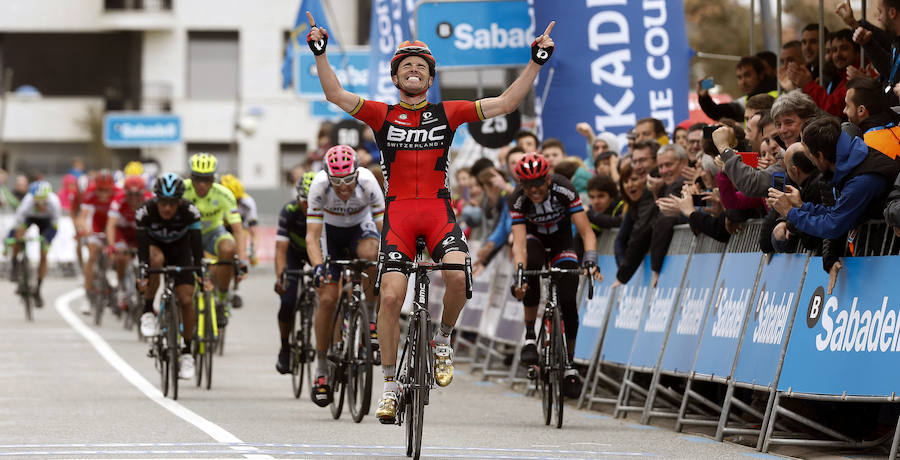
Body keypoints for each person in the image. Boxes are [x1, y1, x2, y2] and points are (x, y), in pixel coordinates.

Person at [307, 11, 557, 423]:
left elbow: (508, 102)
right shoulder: (381, 114)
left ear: (430, 77)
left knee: (458, 277)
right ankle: (390, 385)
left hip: (438, 211)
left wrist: (536, 61)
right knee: (388, 297)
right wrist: (320, 54)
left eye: (421, 67)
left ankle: (442, 339)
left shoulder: (449, 112)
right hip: (400, 215)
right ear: (395, 77)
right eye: (406, 66)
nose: (413, 71)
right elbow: (335, 93)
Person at [508, 153, 601, 398]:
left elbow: (587, 233)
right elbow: (519, 245)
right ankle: (530, 336)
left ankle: (570, 363)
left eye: (538, 182)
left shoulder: (565, 189)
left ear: (548, 178)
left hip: (561, 241)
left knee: (569, 300)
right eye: (528, 185)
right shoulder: (517, 200)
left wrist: (590, 258)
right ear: (521, 185)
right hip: (534, 240)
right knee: (531, 268)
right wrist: (520, 275)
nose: (534, 189)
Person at [305, 145, 385, 407]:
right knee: (328, 299)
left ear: (356, 173)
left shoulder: (368, 182)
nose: (343, 188)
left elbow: (385, 228)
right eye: (336, 182)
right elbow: (312, 238)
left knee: (373, 254)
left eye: (348, 180)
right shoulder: (318, 186)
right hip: (330, 233)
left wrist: (390, 257)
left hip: (361, 229)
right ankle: (320, 368)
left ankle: (370, 318)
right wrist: (318, 267)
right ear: (327, 176)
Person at [767, 116, 900, 245]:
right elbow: (835, 211)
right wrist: (801, 206)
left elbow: (832, 226)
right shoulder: (853, 159)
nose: (810, 162)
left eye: (808, 154)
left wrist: (789, 211)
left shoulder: (862, 180)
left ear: (820, 156)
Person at [136, 173, 205, 380]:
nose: (167, 208)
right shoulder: (145, 212)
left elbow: (196, 248)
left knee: (186, 299)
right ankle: (148, 310)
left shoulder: (190, 212)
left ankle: (187, 352)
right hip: (155, 248)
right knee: (155, 262)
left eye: (172, 204)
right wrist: (144, 272)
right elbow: (142, 250)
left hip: (181, 251)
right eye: (163, 203)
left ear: (180, 202)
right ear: (156, 199)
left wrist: (199, 272)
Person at [183, 153, 248, 326]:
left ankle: (221, 299)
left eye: (207, 179)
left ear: (214, 179)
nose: (202, 184)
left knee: (228, 248)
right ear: (191, 178)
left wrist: (242, 260)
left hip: (213, 234)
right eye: (197, 179)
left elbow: (238, 231)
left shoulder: (224, 194)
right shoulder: (182, 190)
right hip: (188, 236)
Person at [274, 171, 315, 375]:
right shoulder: (289, 211)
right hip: (293, 252)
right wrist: (281, 277)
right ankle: (285, 347)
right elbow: (280, 250)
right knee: (288, 301)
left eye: (312, 201)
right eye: (303, 201)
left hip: (317, 250)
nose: (307, 206)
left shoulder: (327, 209)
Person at [76, 170, 122, 314]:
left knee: (116, 251)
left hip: (113, 224)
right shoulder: (90, 192)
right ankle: (87, 296)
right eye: (99, 190)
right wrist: (85, 228)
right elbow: (82, 217)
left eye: (106, 190)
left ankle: (113, 274)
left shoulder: (118, 192)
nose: (102, 194)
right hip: (96, 224)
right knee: (91, 256)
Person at [9, 181, 60, 307]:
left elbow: (54, 227)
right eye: (38, 200)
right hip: (29, 218)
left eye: (44, 200)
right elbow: (17, 225)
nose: (41, 203)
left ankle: (38, 289)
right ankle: (15, 264)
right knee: (17, 238)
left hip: (47, 222)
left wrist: (47, 241)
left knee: (43, 253)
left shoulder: (54, 203)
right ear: (33, 198)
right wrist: (16, 239)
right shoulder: (27, 202)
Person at [106, 175, 153, 311]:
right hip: (123, 232)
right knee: (121, 256)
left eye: (137, 195)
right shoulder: (118, 200)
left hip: (140, 232)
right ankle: (121, 287)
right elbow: (110, 225)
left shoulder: (149, 200)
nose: (133, 199)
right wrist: (112, 246)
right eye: (130, 195)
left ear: (143, 193)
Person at [787, 29, 860, 117]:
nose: (837, 54)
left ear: (857, 52)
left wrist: (808, 85)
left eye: (844, 48)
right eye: (834, 50)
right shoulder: (841, 75)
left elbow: (832, 108)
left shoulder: (857, 74)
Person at [698, 56, 778, 122]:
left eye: (747, 75)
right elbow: (718, 112)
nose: (743, 82)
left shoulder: (778, 95)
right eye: (739, 77)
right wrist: (704, 98)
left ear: (761, 75)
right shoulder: (748, 99)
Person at [221, 174, 260, 268]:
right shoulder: (217, 200)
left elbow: (254, 232)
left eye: (237, 200)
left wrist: (252, 252)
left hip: (240, 227)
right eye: (232, 201)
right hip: (222, 226)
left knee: (242, 235)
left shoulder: (248, 202)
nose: (235, 205)